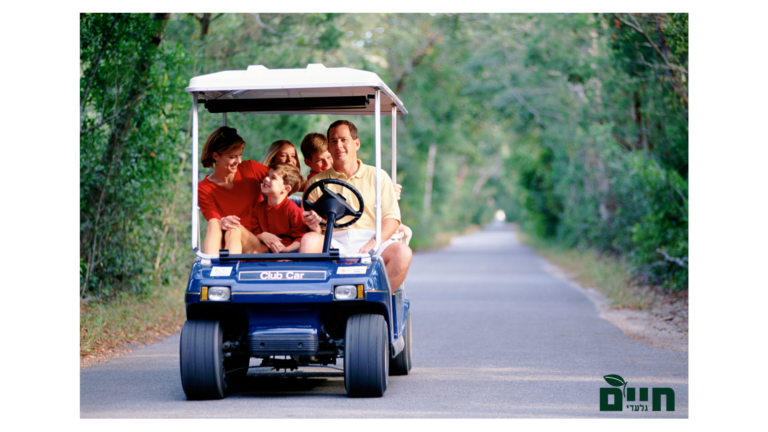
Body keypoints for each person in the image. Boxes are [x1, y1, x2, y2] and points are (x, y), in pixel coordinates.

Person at [300, 120, 412, 291]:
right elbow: (316, 230)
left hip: (371, 238)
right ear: (328, 148)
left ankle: (374, 299)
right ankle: (315, 298)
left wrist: (374, 242)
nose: (339, 146)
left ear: (356, 144)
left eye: (344, 140)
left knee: (403, 253)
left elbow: (392, 218)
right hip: (334, 240)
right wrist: (313, 225)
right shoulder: (316, 182)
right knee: (309, 240)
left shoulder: (378, 176)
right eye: (333, 141)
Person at [299, 131, 413, 242]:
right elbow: (311, 219)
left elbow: (358, 197)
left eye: (329, 158)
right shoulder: (315, 183)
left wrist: (387, 190)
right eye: (319, 160)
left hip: (365, 233)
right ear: (308, 163)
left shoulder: (354, 174)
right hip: (334, 235)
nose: (327, 164)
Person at [198, 126, 269, 255]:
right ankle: (210, 267)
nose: (239, 161)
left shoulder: (251, 169)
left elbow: (284, 183)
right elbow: (214, 220)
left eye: (240, 155)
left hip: (257, 242)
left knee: (234, 229)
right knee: (214, 223)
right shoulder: (204, 188)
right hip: (228, 242)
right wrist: (223, 220)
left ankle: (227, 271)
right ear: (215, 156)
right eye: (232, 157)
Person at [250, 163, 310, 253]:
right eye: (267, 175)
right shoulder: (258, 208)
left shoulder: (292, 209)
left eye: (273, 177)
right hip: (265, 250)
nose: (266, 179)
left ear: (286, 189)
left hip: (289, 251)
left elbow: (301, 237)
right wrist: (262, 235)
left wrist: (286, 250)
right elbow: (255, 232)